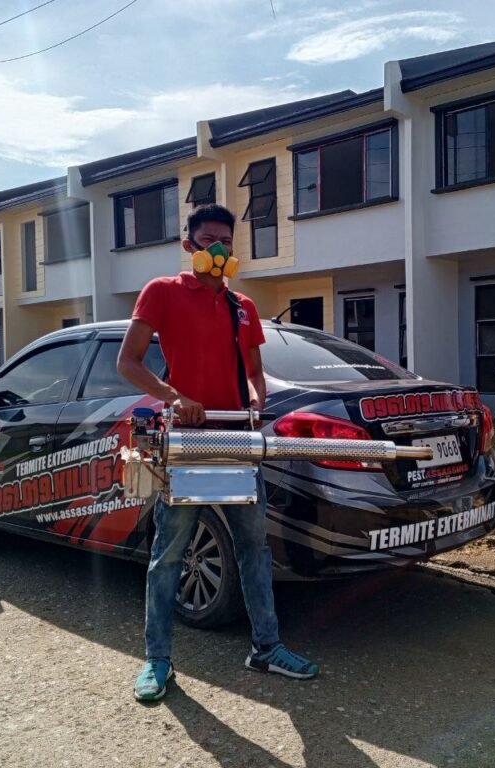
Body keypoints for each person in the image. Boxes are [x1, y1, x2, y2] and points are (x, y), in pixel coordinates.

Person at [118, 203, 319, 702]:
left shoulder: (242, 306)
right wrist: (173, 398)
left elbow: (254, 372)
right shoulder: (161, 293)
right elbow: (129, 362)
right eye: (208, 240)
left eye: (226, 242)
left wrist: (256, 399)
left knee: (254, 547)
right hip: (186, 442)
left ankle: (267, 647)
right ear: (189, 245)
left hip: (236, 440)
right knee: (169, 554)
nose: (219, 250)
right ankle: (158, 661)